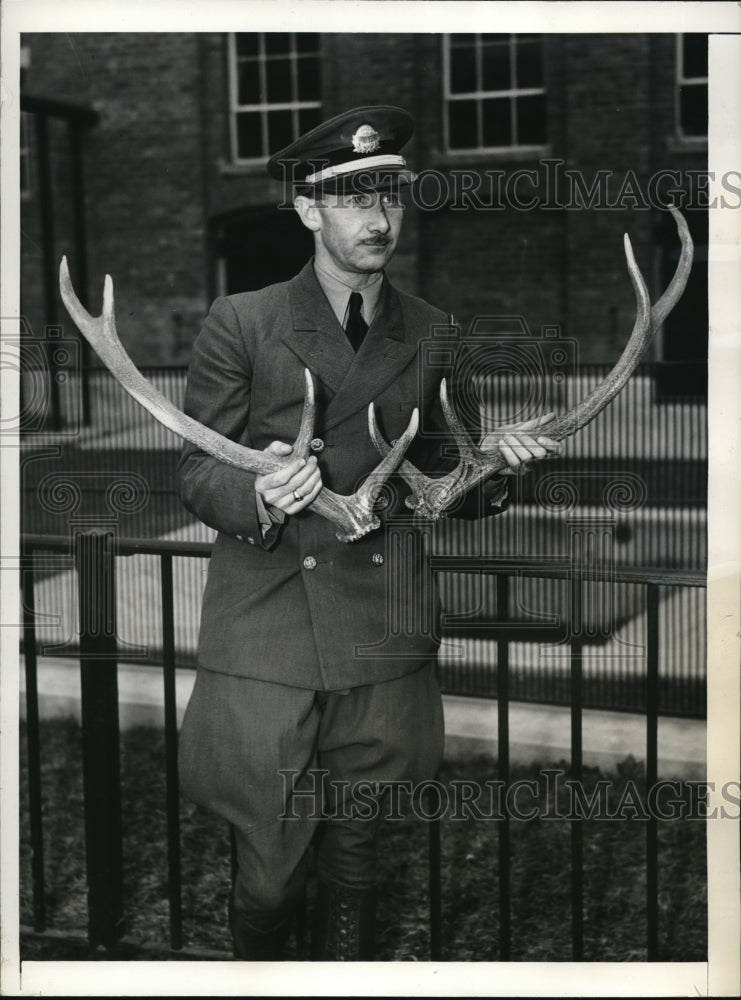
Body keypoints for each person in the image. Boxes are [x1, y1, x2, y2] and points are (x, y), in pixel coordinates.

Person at [176, 105, 560, 961]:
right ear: (309, 210)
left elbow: (445, 482)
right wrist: (264, 490)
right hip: (268, 624)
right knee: (269, 871)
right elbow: (197, 471)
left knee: (358, 855)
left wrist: (494, 470)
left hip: (382, 623)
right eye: (352, 199)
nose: (377, 218)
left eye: (388, 195)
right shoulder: (242, 321)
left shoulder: (432, 331)